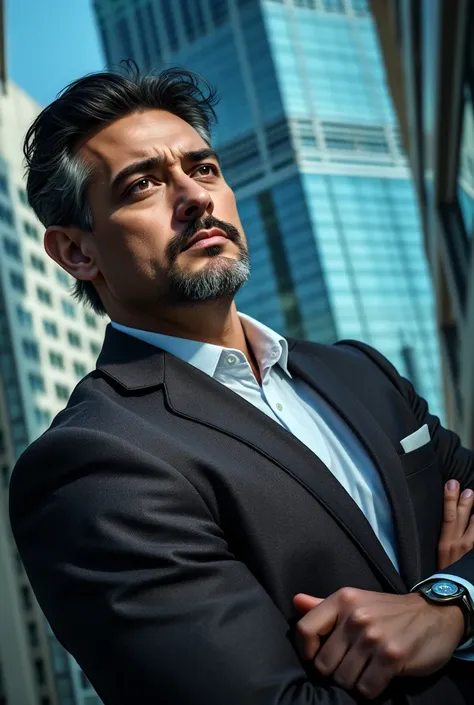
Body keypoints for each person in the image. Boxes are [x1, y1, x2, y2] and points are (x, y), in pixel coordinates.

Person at [9, 67, 473, 705]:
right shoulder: (94, 465)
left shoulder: (358, 372)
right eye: (143, 184)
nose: (195, 196)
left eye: (202, 169)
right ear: (76, 252)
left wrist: (451, 606)